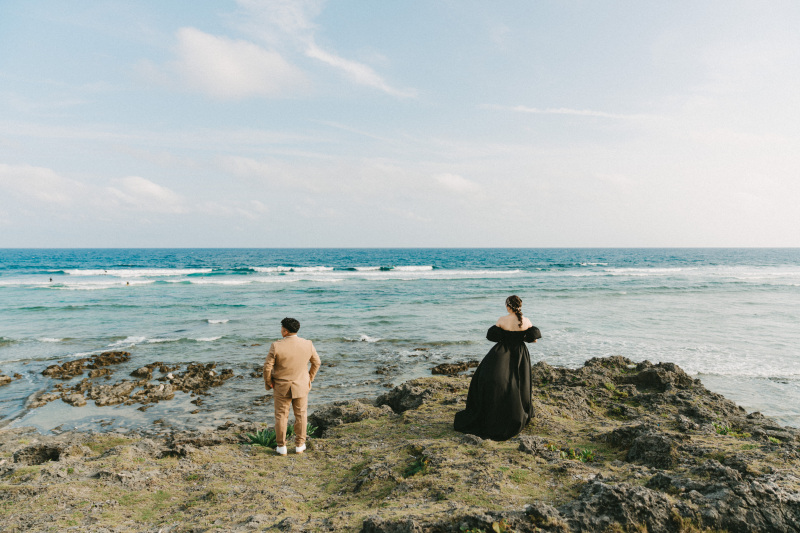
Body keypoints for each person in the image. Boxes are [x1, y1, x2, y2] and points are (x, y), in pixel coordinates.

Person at [454, 295, 541, 441]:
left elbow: (493, 337)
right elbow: (534, 340)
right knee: (519, 383)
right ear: (520, 306)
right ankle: (516, 411)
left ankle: (493, 413)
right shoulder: (526, 321)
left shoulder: (502, 319)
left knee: (491, 380)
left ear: (508, 306)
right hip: (520, 354)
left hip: (502, 353)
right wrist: (521, 337)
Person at [263, 317, 321, 456]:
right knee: (301, 415)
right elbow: (317, 362)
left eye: (281, 328)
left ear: (285, 331)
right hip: (301, 385)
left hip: (281, 387)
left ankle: (281, 446)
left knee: (281, 416)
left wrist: (269, 382)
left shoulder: (276, 345)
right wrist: (309, 378)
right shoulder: (307, 344)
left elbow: (267, 367)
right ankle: (300, 445)